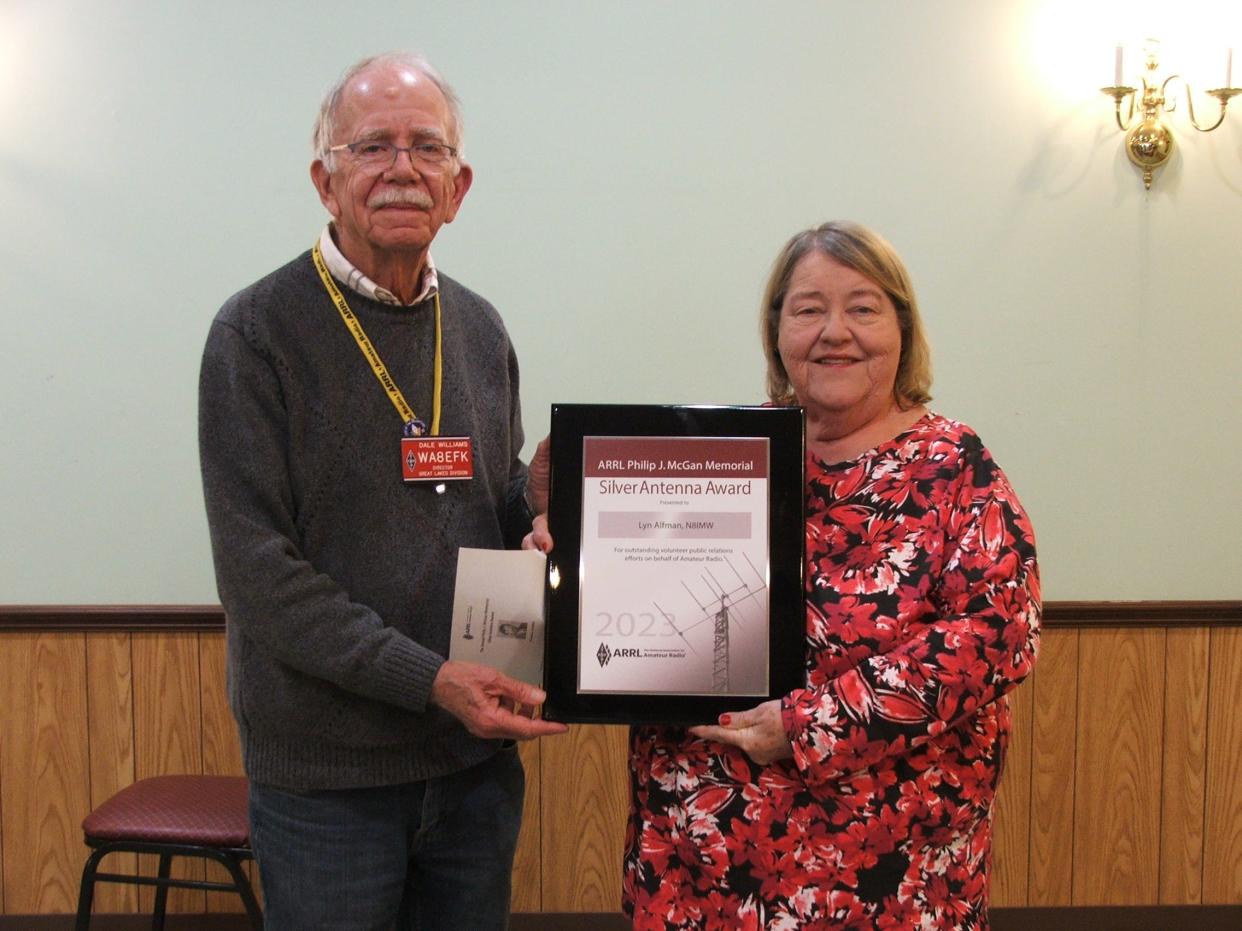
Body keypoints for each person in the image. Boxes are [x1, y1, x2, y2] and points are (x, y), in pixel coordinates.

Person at [530, 220, 1040, 929]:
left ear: (903, 328)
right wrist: (573, 562)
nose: (835, 331)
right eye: (808, 309)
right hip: (701, 871)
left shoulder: (954, 466)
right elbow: (641, 600)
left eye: (862, 308)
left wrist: (808, 726)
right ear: (778, 332)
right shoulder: (724, 454)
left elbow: (997, 637)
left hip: (881, 881)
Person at [198, 52, 566, 931]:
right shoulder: (254, 334)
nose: (402, 168)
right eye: (373, 147)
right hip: (330, 784)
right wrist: (431, 679)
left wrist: (544, 515)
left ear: (459, 185)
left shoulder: (478, 325)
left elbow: (489, 492)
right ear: (326, 181)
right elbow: (261, 575)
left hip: (472, 767)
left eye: (427, 148)